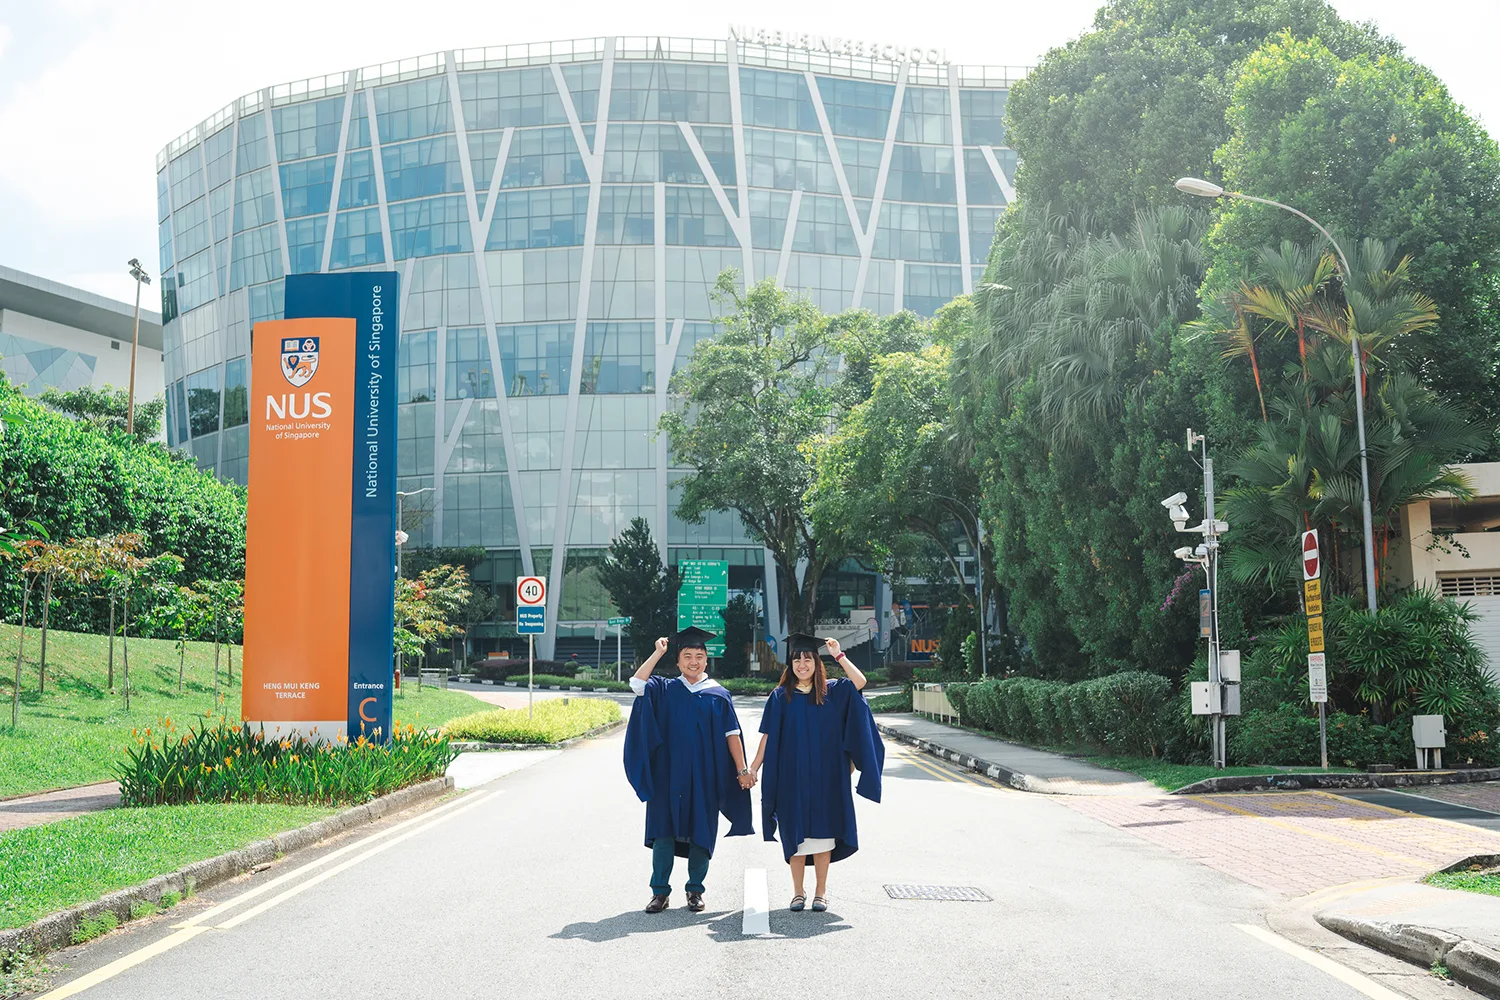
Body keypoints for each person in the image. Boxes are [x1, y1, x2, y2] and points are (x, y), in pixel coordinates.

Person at [622, 626, 754, 914]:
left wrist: (742, 768)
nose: (693, 661)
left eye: (699, 656)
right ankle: (660, 893)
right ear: (678, 661)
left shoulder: (718, 695)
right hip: (667, 775)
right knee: (663, 833)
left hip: (704, 776)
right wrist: (658, 652)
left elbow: (732, 734)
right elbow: (636, 683)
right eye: (687, 656)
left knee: (701, 832)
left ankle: (695, 890)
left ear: (706, 660)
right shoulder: (666, 688)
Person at [750, 633, 884, 913]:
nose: (802, 664)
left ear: (816, 663)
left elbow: (860, 682)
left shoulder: (833, 692)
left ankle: (820, 893)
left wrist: (839, 654)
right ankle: (798, 893)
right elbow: (767, 736)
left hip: (826, 777)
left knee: (823, 836)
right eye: (797, 659)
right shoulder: (779, 697)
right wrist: (753, 768)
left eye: (807, 658)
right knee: (795, 837)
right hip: (792, 778)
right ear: (791, 664)